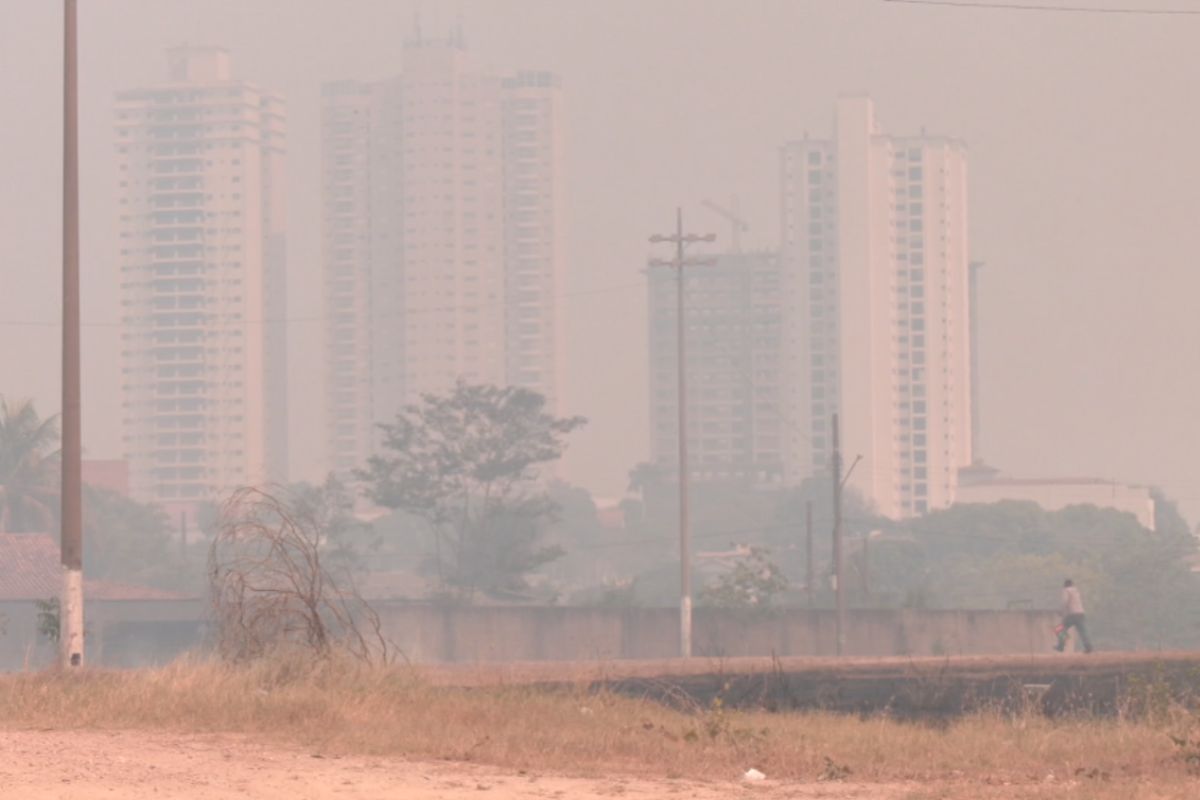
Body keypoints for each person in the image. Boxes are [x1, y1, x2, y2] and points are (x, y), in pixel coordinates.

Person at [1054, 578, 1093, 653]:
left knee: (1060, 628)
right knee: (1083, 631)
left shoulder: (1066, 590)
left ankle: (1060, 646)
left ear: (1065, 585)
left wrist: (1061, 611)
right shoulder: (1076, 591)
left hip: (1072, 614)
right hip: (1081, 613)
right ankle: (1088, 647)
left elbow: (1065, 602)